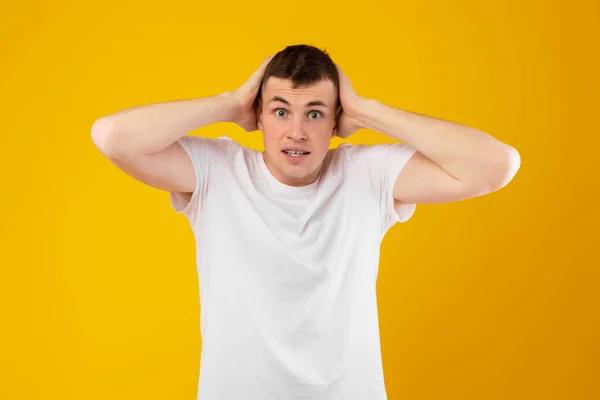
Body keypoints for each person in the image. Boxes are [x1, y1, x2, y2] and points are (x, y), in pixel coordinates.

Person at [91, 44, 520, 399]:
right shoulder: (215, 171)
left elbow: (496, 165)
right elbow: (112, 138)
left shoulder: (367, 174)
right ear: (258, 116)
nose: (296, 131)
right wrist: (228, 104)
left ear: (336, 122)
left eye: (314, 113)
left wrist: (368, 111)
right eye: (280, 111)